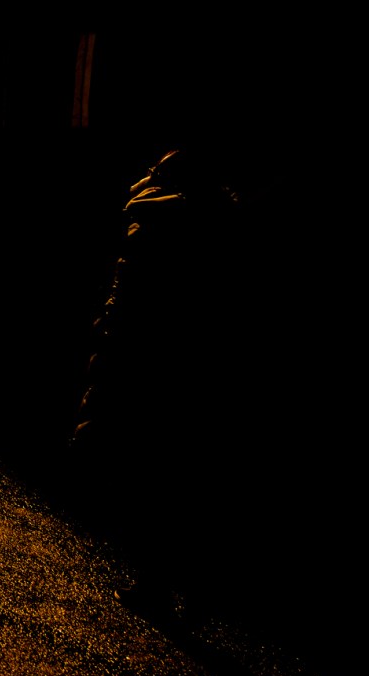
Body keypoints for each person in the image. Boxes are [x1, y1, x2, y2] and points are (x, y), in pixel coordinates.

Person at [69, 145, 243, 618]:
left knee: (146, 469)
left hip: (149, 357)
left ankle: (158, 580)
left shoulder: (159, 222)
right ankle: (169, 578)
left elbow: (131, 294)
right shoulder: (220, 225)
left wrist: (109, 335)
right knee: (173, 471)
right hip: (184, 362)